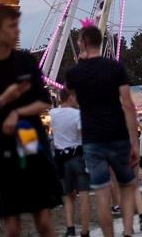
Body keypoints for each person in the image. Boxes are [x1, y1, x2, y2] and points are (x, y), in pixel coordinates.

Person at [0, 4, 61, 237]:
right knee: (12, 223)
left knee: (44, 217)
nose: (17, 31)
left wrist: (18, 112)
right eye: (11, 26)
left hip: (31, 142)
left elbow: (44, 101)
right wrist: (3, 101)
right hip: (1, 148)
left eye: (17, 25)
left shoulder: (26, 61)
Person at [65, 24, 142, 237]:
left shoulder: (74, 73)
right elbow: (127, 104)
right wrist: (134, 141)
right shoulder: (115, 68)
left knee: (101, 193)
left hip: (92, 138)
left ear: (84, 42)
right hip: (117, 135)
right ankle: (127, 230)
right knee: (126, 186)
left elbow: (73, 97)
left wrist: (80, 63)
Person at [49, 89, 91, 237]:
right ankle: (85, 231)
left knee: (67, 196)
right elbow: (82, 134)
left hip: (61, 159)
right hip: (77, 156)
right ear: (71, 97)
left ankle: (70, 228)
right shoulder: (77, 114)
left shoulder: (53, 114)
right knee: (84, 194)